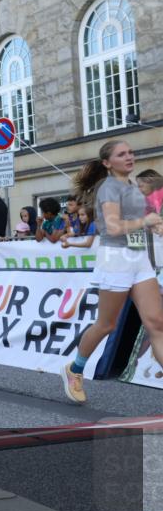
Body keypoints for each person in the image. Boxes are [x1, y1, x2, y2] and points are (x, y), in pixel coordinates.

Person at [62, 140, 163, 404]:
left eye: (130, 151)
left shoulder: (131, 186)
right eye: (122, 154)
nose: (129, 156)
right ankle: (75, 369)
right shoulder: (108, 188)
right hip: (116, 260)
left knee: (156, 323)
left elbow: (134, 224)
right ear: (107, 163)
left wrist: (152, 227)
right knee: (106, 325)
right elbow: (114, 228)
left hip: (139, 258)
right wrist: (146, 221)